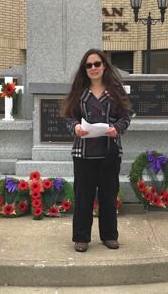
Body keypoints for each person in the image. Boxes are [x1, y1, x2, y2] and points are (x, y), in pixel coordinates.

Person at [61, 49, 131, 253]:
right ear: (85, 69)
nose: (93, 68)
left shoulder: (116, 91)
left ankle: (109, 235)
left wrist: (115, 129)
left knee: (109, 196)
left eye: (97, 64)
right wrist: (75, 127)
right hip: (84, 153)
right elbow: (69, 117)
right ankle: (81, 237)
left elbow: (126, 118)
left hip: (110, 151)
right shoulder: (79, 92)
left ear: (104, 66)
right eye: (89, 65)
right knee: (83, 196)